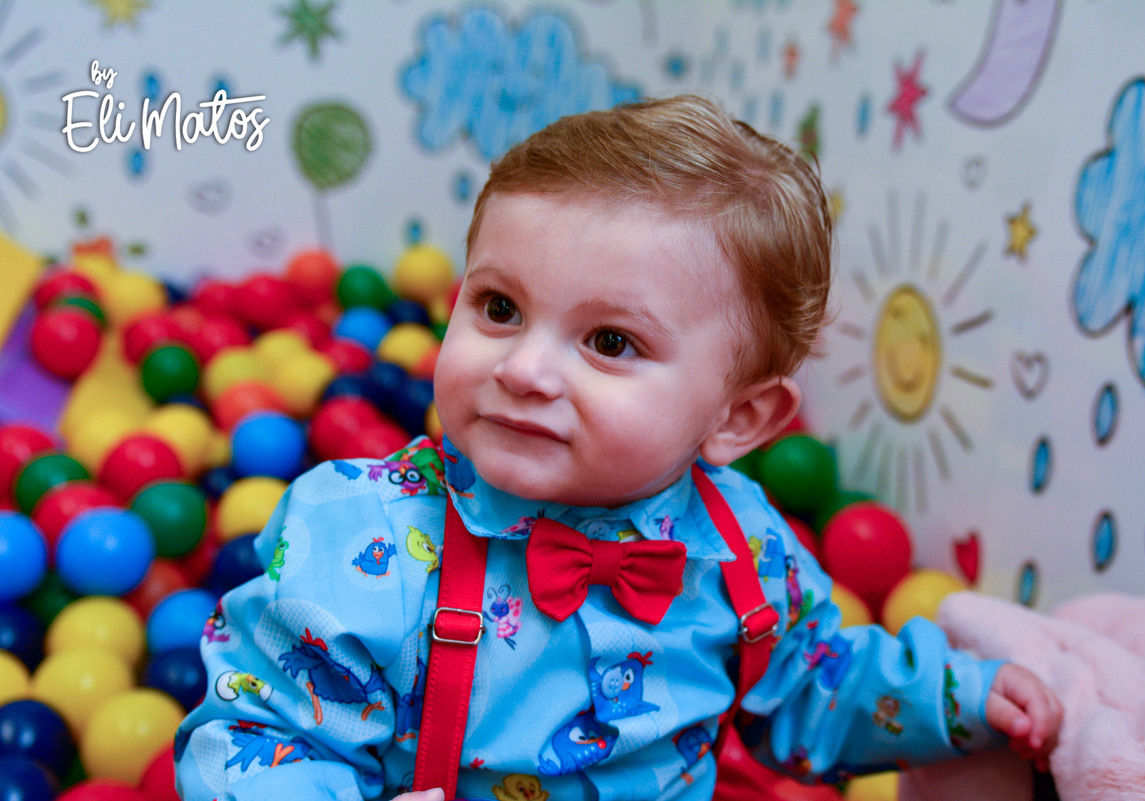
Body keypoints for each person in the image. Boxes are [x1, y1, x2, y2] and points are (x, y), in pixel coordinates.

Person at [175, 95, 1061, 801]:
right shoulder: (358, 537)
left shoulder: (743, 551)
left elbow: (808, 688)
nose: (524, 368)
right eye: (499, 307)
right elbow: (255, 737)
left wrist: (955, 698)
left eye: (609, 342)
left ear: (738, 418)